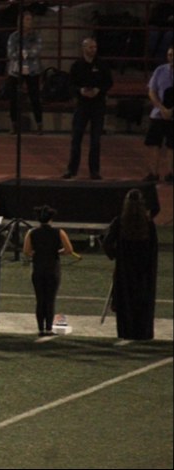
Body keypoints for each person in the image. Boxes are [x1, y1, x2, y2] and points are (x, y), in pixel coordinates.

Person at [103, 189, 158, 341]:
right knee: (143, 301)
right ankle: (143, 332)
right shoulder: (148, 224)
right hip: (144, 271)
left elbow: (106, 243)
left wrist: (115, 255)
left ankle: (126, 332)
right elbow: (153, 249)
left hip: (124, 270)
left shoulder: (120, 222)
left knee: (125, 301)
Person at [63, 37, 113, 181]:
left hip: (98, 105)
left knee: (95, 140)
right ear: (84, 48)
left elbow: (109, 82)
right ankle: (71, 170)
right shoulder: (77, 65)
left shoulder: (102, 64)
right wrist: (81, 91)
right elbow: (71, 85)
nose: (93, 50)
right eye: (91, 47)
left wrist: (99, 90)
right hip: (82, 105)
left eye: (95, 47)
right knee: (76, 138)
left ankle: (94, 171)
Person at [23, 205, 74, 336]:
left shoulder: (31, 232)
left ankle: (40, 328)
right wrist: (57, 252)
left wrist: (39, 253)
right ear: (51, 218)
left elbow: (27, 251)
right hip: (53, 268)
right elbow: (69, 250)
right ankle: (49, 328)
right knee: (50, 299)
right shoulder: (59, 232)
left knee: (40, 299)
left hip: (38, 268)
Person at [7, 10, 42, 135]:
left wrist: (24, 53)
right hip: (16, 70)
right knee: (14, 98)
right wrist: (23, 54)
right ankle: (13, 124)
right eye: (27, 19)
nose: (29, 22)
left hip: (32, 69)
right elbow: (11, 53)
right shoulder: (14, 36)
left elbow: (37, 50)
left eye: (30, 20)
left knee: (35, 97)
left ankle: (39, 123)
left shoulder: (36, 36)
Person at [143, 45, 173, 183]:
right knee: (153, 143)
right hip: (158, 114)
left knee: (172, 145)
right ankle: (153, 173)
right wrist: (162, 109)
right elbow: (152, 91)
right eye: (169, 55)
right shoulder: (160, 70)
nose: (171, 58)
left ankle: (170, 174)